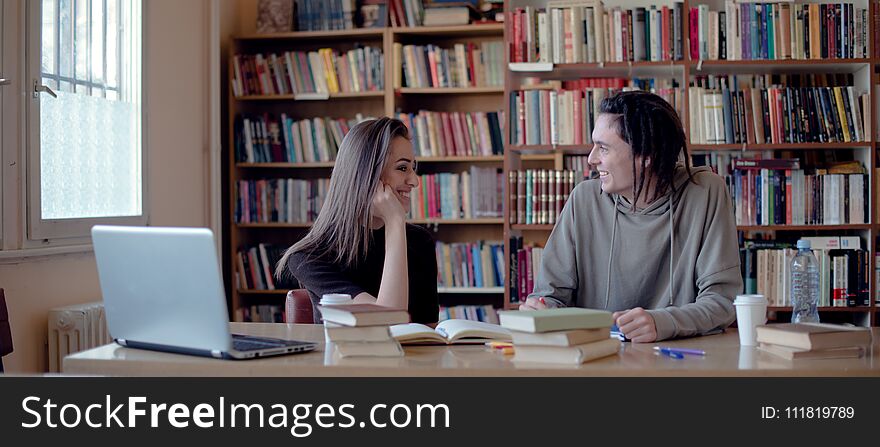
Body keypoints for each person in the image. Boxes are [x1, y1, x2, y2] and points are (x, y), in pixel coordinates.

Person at [520, 91, 742, 342]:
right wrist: (544, 310)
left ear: (646, 155)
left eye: (603, 148)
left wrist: (663, 322)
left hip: (678, 361)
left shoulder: (705, 192)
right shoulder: (583, 200)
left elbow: (723, 303)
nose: (592, 159)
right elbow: (550, 295)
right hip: (595, 358)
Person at [277, 117, 438, 324]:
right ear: (367, 175)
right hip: (345, 358)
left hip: (414, 357)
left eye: (413, 168)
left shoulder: (419, 242)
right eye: (402, 168)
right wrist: (395, 222)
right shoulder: (310, 256)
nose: (414, 181)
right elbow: (389, 323)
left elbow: (428, 331)